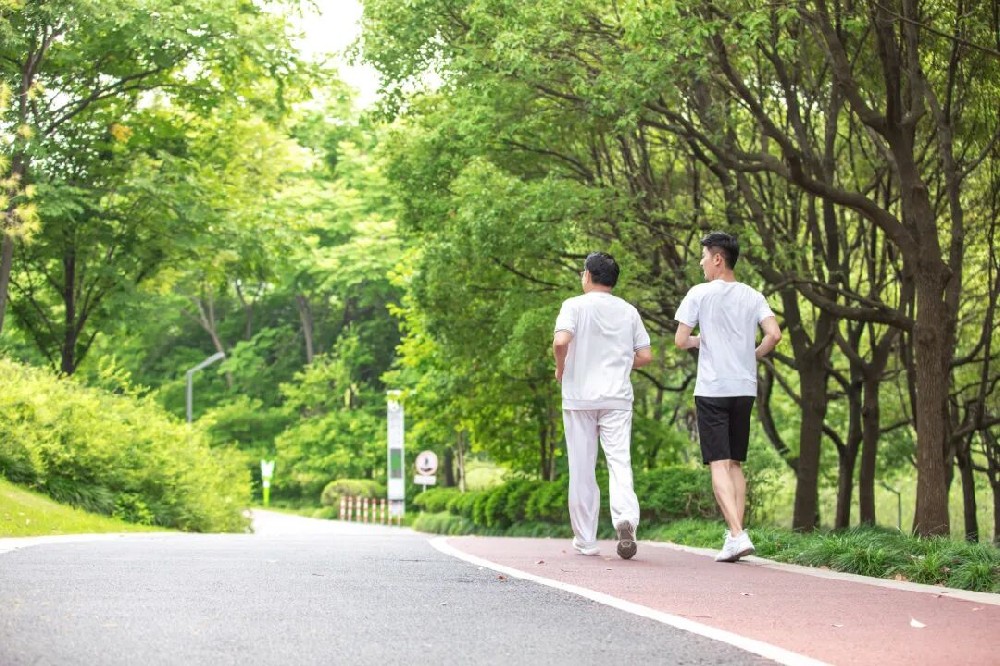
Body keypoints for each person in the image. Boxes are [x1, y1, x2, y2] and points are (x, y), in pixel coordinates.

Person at [674, 232, 782, 563]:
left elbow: (680, 340)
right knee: (735, 462)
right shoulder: (753, 295)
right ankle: (736, 535)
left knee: (718, 463)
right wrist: (754, 354)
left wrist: (699, 340)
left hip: (713, 389)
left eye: (704, 257)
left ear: (718, 259)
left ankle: (736, 534)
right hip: (744, 388)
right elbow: (774, 334)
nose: (701, 263)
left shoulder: (699, 293)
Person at [553, 252, 653, 560]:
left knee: (582, 467)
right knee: (619, 461)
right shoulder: (628, 311)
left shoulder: (574, 305)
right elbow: (645, 355)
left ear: (587, 275)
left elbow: (561, 341)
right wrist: (620, 363)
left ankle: (586, 539)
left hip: (579, 397)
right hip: (617, 399)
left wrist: (560, 368)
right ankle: (626, 518)